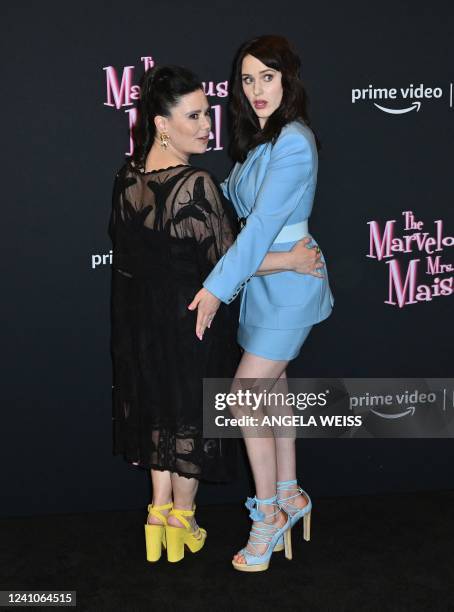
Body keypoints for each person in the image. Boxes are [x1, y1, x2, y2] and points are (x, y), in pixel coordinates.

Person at [109, 64, 323, 564]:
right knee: (189, 419)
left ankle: (159, 516)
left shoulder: (127, 176)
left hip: (142, 321)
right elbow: (229, 257)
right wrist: (291, 259)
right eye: (196, 116)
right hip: (192, 319)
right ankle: (193, 519)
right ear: (163, 124)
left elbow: (133, 253)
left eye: (209, 113)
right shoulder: (196, 184)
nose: (209, 125)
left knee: (158, 413)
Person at [188, 35, 334, 571]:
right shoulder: (263, 142)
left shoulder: (294, 141)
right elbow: (232, 207)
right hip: (267, 281)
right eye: (247, 80)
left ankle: (268, 515)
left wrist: (213, 289)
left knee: (244, 396)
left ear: (288, 79)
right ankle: (292, 495)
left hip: (291, 286)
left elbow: (263, 227)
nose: (256, 89)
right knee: (272, 395)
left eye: (266, 77)